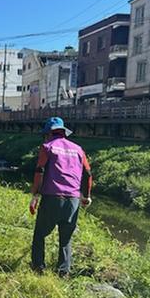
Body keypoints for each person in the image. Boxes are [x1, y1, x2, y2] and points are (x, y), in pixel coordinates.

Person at [29, 117, 93, 277]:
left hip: (52, 197)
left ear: (48, 134)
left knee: (39, 235)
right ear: (64, 132)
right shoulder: (79, 149)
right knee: (66, 239)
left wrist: (35, 195)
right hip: (73, 200)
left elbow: (39, 171)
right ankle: (63, 272)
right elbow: (88, 173)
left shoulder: (47, 147)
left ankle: (38, 269)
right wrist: (86, 196)